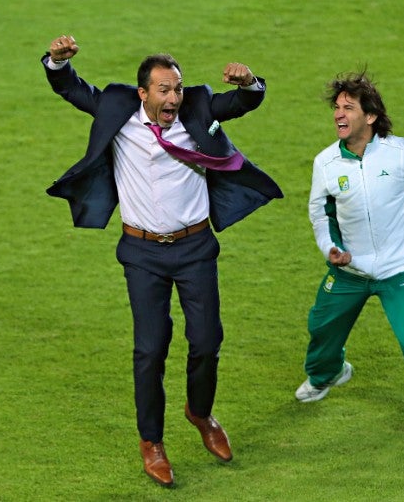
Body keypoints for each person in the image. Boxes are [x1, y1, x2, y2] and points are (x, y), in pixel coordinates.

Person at [41, 35, 282, 487]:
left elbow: (245, 102)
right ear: (143, 94)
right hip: (142, 252)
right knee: (150, 349)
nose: (173, 98)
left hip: (195, 249)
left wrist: (250, 83)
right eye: (164, 90)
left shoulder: (199, 107)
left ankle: (200, 412)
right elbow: (72, 89)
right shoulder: (118, 110)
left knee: (207, 341)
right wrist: (57, 62)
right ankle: (151, 441)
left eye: (177, 88)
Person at [296, 71, 404, 449]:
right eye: (336, 108)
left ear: (370, 116)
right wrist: (330, 250)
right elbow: (319, 214)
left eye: (348, 108)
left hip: (397, 270)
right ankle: (328, 374)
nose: (339, 115)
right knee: (321, 329)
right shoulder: (325, 163)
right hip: (349, 270)